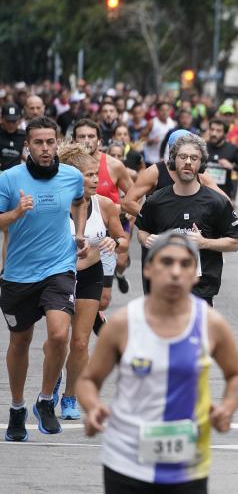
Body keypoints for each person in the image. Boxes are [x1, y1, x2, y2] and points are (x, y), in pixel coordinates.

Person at [77, 231, 238, 493]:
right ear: (148, 268)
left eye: (185, 264)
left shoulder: (210, 323)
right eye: (166, 262)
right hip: (125, 460)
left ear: (195, 273)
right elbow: (89, 380)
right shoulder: (124, 323)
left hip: (187, 463)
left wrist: (227, 407)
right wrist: (92, 407)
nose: (176, 272)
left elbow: (237, 374)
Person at [1, 117, 88, 441]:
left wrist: (78, 233)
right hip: (18, 274)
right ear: (28, 145)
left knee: (58, 334)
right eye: (38, 142)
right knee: (20, 342)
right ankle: (17, 407)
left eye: (50, 142)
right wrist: (15, 214)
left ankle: (47, 399)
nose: (46, 148)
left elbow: (81, 201)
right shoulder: (9, 180)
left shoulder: (71, 177)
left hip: (59, 267)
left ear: (57, 142)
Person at [52, 143, 128, 421]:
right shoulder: (55, 204)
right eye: (89, 175)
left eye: (97, 174)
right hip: (58, 275)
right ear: (72, 177)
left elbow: (123, 239)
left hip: (90, 275)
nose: (96, 180)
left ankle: (70, 396)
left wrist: (114, 240)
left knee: (81, 343)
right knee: (57, 341)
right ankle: (53, 378)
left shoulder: (105, 205)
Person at [136, 134, 238, 306]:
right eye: (182, 157)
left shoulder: (217, 202)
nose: (188, 162)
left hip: (201, 288)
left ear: (201, 163)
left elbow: (234, 243)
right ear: (173, 160)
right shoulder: (156, 200)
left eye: (194, 158)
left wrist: (204, 242)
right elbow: (142, 230)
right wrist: (147, 239)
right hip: (163, 284)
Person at [74, 118, 135, 306]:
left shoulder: (114, 165)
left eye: (91, 136)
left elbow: (134, 196)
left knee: (103, 301)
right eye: (81, 136)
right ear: (74, 140)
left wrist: (123, 211)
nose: (86, 140)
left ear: (99, 140)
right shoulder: (66, 167)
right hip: (75, 236)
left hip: (106, 234)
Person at [204, 119, 238, 202]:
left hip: (223, 195)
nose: (214, 133)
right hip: (203, 193)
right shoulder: (202, 147)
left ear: (225, 133)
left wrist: (232, 166)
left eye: (218, 131)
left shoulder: (232, 149)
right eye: (212, 129)